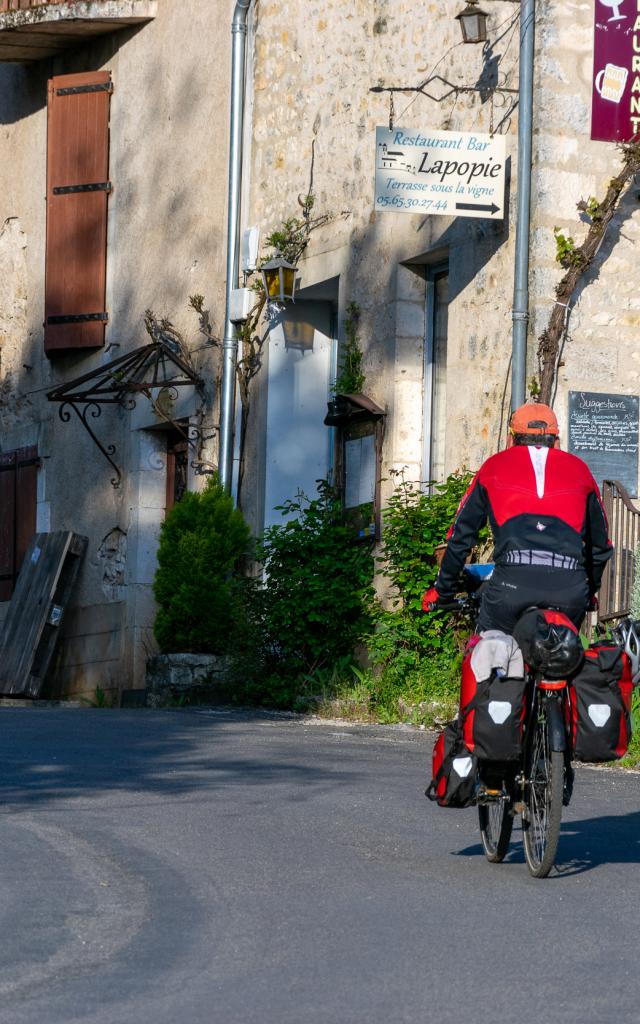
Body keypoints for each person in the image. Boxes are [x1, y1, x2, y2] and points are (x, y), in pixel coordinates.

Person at [421, 402, 613, 633]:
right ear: (556, 440)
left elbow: (461, 537)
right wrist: (588, 590)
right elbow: (601, 547)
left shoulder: (493, 466)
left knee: (486, 656)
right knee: (567, 658)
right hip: (569, 589)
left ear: (510, 439)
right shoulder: (580, 469)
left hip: (510, 586)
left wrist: (443, 591)